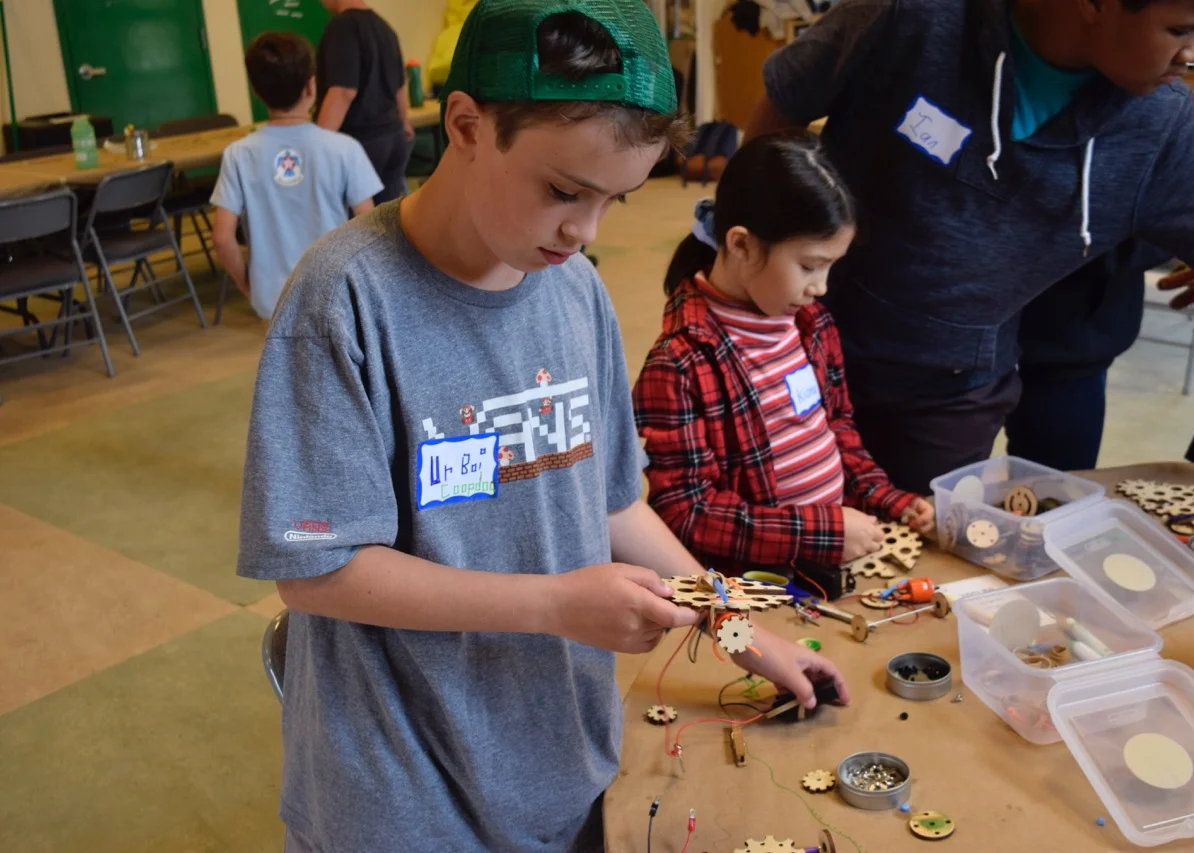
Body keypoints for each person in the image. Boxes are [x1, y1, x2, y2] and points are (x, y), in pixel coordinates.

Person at [235, 3, 847, 851]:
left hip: (561, 763)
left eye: (613, 201)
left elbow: (613, 505)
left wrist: (738, 629)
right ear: (466, 125)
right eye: (564, 191)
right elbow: (315, 572)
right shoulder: (344, 297)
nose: (585, 231)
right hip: (403, 796)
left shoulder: (574, 292)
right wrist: (555, 602)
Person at [748, 0, 1194, 493]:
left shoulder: (1160, 124)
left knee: (905, 562)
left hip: (948, 391)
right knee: (766, 528)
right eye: (1180, 30)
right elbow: (781, 111)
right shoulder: (910, 15)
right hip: (794, 341)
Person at [633, 133, 934, 580]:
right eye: (809, 266)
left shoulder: (813, 326)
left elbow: (838, 430)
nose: (821, 286)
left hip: (827, 556)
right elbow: (687, 511)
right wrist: (820, 531)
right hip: (757, 584)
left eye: (831, 265)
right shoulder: (679, 364)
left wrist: (888, 498)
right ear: (741, 245)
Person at [1007, 91, 1194, 471]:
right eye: (1178, 31)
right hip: (1051, 343)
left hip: (1070, 340)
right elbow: (1090, 242)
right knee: (1046, 494)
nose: (1189, 54)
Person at [210, 32, 383, 322]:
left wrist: (247, 285)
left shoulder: (238, 154)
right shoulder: (344, 149)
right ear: (311, 87)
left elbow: (222, 238)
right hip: (334, 291)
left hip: (273, 297)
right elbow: (369, 225)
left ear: (255, 89)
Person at [315, 0, 414, 204]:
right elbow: (400, 86)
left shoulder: (342, 27)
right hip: (394, 138)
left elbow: (343, 91)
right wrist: (404, 121)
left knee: (356, 228)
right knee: (388, 220)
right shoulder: (384, 27)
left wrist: (317, 145)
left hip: (362, 144)